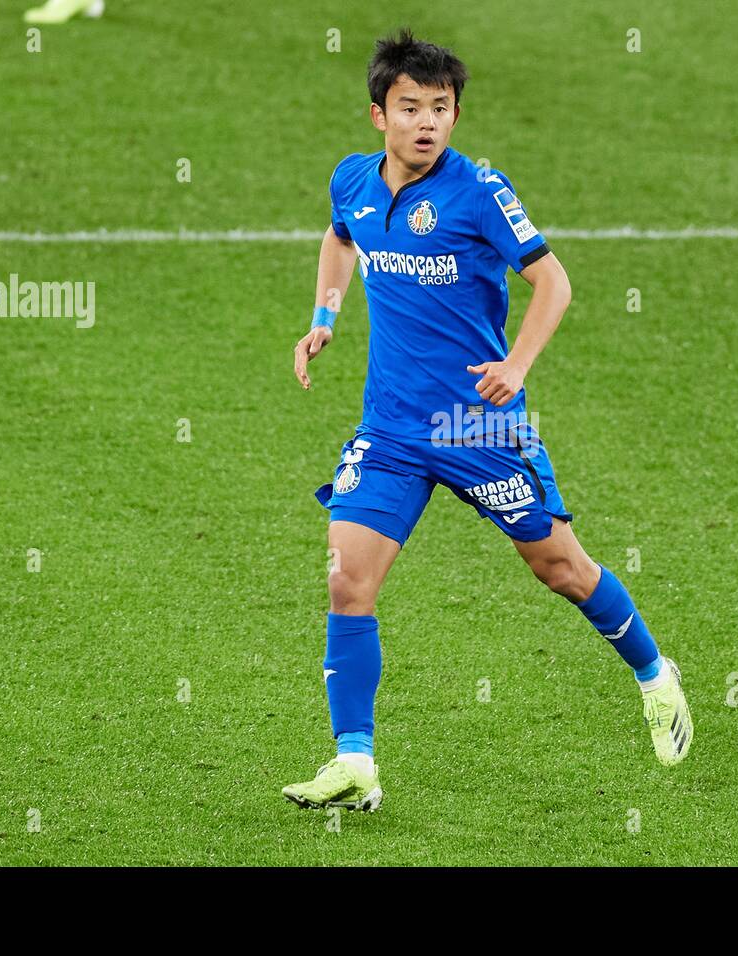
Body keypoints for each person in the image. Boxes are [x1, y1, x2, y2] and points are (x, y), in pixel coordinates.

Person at [283, 29, 692, 813]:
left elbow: (554, 282)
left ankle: (653, 674)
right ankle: (356, 764)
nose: (427, 122)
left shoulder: (479, 192)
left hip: (479, 428)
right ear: (379, 116)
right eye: (411, 108)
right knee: (347, 581)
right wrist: (324, 316)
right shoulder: (352, 183)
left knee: (561, 570)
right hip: (393, 428)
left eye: (441, 108)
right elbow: (340, 240)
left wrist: (516, 367)